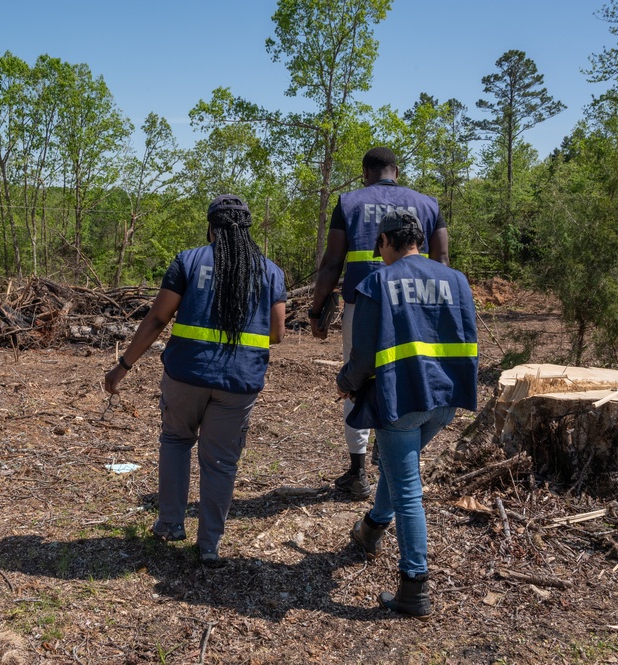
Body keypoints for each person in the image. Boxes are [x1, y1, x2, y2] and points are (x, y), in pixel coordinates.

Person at [104, 195, 286, 567]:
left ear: (211, 227)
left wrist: (123, 365)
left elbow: (157, 320)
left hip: (186, 373)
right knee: (221, 463)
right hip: (239, 381)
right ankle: (209, 546)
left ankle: (170, 524)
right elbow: (278, 333)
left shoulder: (188, 261)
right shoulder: (271, 272)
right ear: (247, 229)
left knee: (175, 441)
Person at [336, 209, 477, 619]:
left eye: (378, 245)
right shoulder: (456, 280)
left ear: (385, 242)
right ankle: (373, 526)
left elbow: (362, 356)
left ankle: (414, 585)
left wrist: (346, 382)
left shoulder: (377, 282)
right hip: (446, 397)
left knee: (408, 490)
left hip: (401, 399)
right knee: (402, 469)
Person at [310, 146, 450, 499]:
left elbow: (331, 263)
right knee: (409, 373)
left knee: (357, 377)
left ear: (365, 173)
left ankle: (357, 473)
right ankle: (394, 455)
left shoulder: (349, 202)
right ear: (396, 171)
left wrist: (317, 310)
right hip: (418, 305)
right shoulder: (429, 204)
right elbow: (443, 259)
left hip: (364, 304)